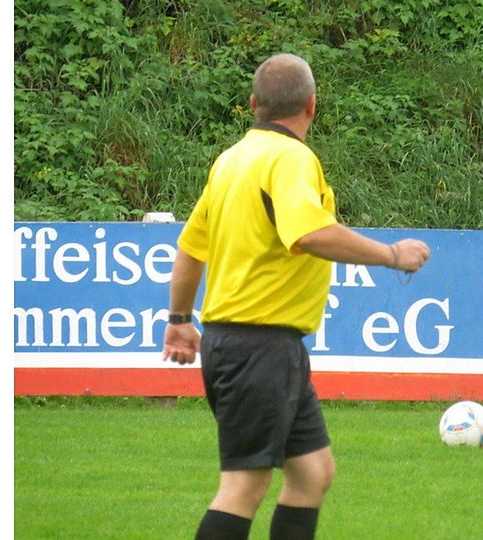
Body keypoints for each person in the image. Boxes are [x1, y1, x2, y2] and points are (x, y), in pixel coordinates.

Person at [161, 53, 431, 540]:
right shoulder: (291, 159)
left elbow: (189, 248)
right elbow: (309, 233)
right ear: (312, 104)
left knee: (312, 474)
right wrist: (391, 254)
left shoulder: (232, 159)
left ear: (252, 105)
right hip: (257, 345)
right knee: (243, 486)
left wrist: (179, 318)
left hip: (256, 345)